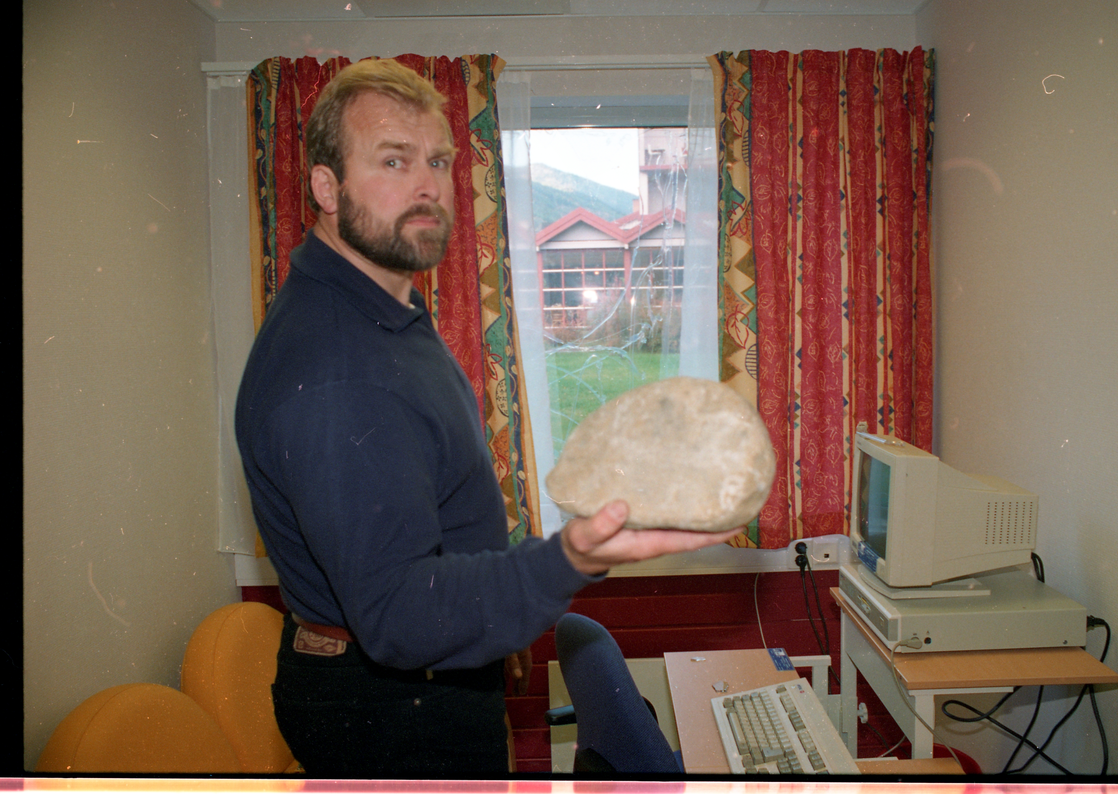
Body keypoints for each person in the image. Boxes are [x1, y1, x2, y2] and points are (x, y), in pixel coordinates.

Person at [234, 59, 740, 778]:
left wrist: (496, 615)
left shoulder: (384, 311)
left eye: (438, 160)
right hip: (393, 707)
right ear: (325, 185)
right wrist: (570, 559)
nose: (428, 186)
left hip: (418, 678)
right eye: (392, 160)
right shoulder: (339, 368)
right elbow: (401, 615)